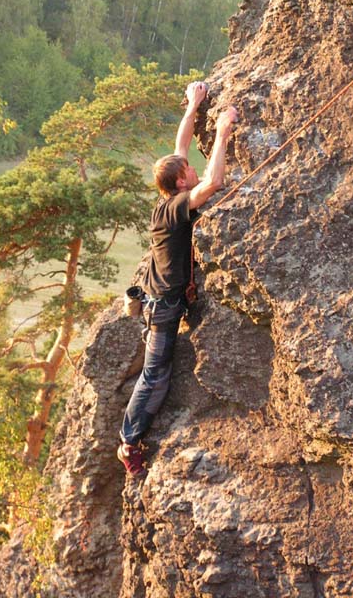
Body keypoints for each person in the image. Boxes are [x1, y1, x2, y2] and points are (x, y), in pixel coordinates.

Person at [118, 81, 238, 476]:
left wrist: (194, 105)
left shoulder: (167, 197)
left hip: (159, 300)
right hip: (164, 308)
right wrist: (222, 133)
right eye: (188, 171)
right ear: (181, 183)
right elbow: (214, 183)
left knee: (157, 373)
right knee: (156, 376)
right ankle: (129, 442)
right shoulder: (174, 210)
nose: (192, 167)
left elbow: (180, 145)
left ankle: (131, 438)